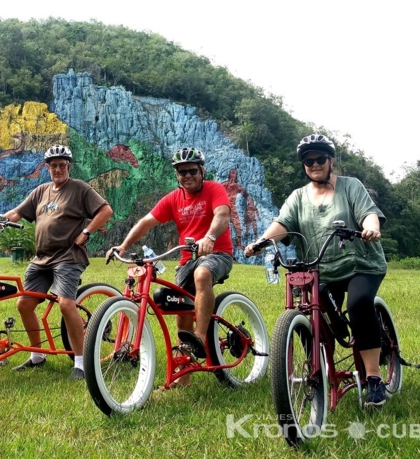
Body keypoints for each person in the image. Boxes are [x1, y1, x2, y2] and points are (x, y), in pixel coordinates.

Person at [244, 134, 389, 408]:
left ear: (330, 161)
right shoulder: (298, 196)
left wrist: (372, 228)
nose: (314, 164)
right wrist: (262, 242)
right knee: (307, 311)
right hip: (321, 268)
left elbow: (368, 212)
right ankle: (320, 368)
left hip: (360, 263)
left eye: (320, 159)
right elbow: (283, 223)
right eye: (309, 161)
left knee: (358, 304)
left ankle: (374, 378)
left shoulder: (350, 187)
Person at [106, 147, 233, 384]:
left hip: (217, 253)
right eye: (182, 172)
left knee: (203, 274)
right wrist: (122, 247)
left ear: (202, 170)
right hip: (186, 260)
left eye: (192, 170)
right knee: (178, 307)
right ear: (177, 175)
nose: (187, 176)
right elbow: (146, 222)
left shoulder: (215, 189)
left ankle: (200, 337)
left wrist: (210, 237)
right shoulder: (174, 198)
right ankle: (183, 372)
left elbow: (222, 215)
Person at [2, 144, 113, 380]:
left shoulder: (79, 189)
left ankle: (82, 363)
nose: (58, 169)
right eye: (54, 165)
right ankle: (37, 356)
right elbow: (17, 213)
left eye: (62, 165)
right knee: (24, 304)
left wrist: (87, 232)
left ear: (68, 167)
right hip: (41, 259)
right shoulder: (41, 191)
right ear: (47, 168)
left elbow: (105, 210)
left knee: (65, 304)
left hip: (68, 257)